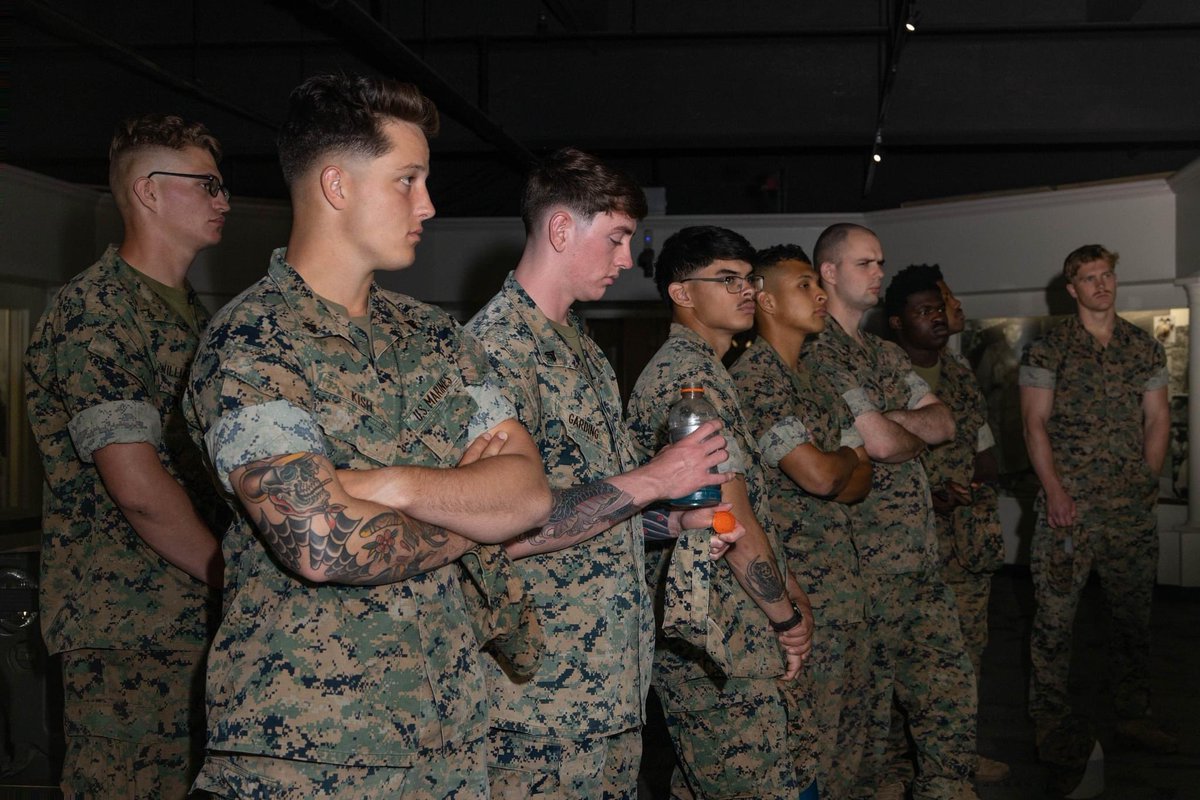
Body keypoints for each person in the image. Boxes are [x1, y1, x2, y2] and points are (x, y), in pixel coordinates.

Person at [183, 74, 553, 797]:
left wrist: (396, 487)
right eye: (406, 181)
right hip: (308, 752)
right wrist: (475, 518)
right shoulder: (253, 342)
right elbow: (321, 543)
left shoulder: (435, 336)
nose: (429, 205)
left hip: (448, 740)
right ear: (336, 186)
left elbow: (530, 492)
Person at [467, 147, 743, 799]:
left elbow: (596, 499)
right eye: (617, 239)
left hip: (610, 690)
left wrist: (669, 520)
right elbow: (500, 530)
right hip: (539, 707)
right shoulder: (496, 352)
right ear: (561, 229)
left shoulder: (582, 348)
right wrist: (656, 478)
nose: (628, 261)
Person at [24, 112, 229, 797]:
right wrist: (228, 573)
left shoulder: (188, 314)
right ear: (148, 192)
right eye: (206, 184)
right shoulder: (96, 313)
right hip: (130, 631)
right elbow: (136, 484)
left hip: (187, 618)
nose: (222, 199)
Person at [626, 225, 815, 800]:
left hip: (726, 624)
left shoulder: (711, 373)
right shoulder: (689, 382)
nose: (747, 292)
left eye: (749, 280)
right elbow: (729, 513)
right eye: (726, 280)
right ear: (682, 294)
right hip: (719, 631)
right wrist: (783, 616)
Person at [804, 223, 978, 800]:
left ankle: (947, 789)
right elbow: (877, 444)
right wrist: (894, 429)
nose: (879, 273)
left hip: (919, 558)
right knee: (866, 718)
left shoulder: (879, 350)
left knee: (948, 690)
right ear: (828, 272)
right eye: (865, 263)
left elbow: (945, 421)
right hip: (862, 566)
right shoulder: (810, 350)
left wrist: (887, 425)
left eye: (881, 263)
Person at [729, 244, 873, 800]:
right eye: (804, 285)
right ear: (763, 299)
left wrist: (839, 467)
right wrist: (840, 465)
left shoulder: (817, 380)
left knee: (843, 750)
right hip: (797, 594)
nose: (820, 295)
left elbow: (862, 482)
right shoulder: (755, 378)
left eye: (820, 284)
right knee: (801, 755)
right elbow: (819, 475)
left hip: (843, 588)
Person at [1020, 244, 1175, 754]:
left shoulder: (1142, 346)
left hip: (1127, 511)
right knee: (1054, 622)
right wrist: (1056, 492)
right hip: (1068, 512)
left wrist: (1145, 482)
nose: (1101, 285)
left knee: (1133, 619)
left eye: (1106, 275)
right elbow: (1033, 423)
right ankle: (1049, 721)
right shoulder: (1049, 348)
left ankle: (1133, 714)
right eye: (1089, 278)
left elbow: (1157, 420)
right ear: (1072, 289)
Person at [885, 264, 1010, 783]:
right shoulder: (883, 374)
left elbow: (982, 450)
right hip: (907, 548)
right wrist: (926, 496)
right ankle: (894, 765)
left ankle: (955, 758)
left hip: (965, 547)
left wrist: (975, 485)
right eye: (923, 312)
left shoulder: (958, 374)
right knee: (901, 660)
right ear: (896, 322)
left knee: (966, 659)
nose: (936, 319)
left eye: (939, 309)